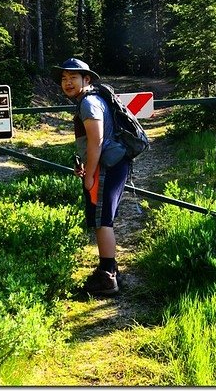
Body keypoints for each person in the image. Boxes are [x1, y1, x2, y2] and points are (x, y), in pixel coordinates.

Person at [52, 58, 129, 296]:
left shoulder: (89, 103)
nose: (67, 83)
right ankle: (111, 269)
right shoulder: (90, 100)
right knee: (102, 218)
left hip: (107, 166)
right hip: (107, 164)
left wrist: (90, 176)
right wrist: (85, 167)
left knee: (102, 220)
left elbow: (96, 141)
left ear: (87, 80)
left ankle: (107, 277)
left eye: (73, 78)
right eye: (64, 79)